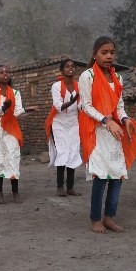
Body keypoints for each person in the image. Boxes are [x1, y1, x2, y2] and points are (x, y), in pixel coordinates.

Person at [78, 36, 136, 233]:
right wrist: (106, 121)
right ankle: (95, 219)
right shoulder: (88, 76)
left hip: (114, 132)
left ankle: (109, 217)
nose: (109, 56)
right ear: (94, 54)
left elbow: (119, 107)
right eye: (104, 52)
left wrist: (125, 120)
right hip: (96, 131)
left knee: (116, 175)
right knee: (100, 176)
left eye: (112, 52)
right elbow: (86, 106)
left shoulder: (118, 78)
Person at [0, 65, 37, 204]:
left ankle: (15, 192)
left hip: (11, 131)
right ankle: (0, 193)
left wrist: (26, 110)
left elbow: (16, 112)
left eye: (7, 72)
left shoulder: (15, 93)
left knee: (13, 159)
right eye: (2, 72)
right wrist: (3, 108)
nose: (5, 74)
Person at [45, 59, 81, 197]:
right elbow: (58, 106)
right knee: (62, 151)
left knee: (73, 151)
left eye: (72, 66)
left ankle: (70, 187)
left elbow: (80, 106)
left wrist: (84, 106)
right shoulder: (56, 86)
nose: (70, 68)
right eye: (67, 66)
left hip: (73, 122)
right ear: (62, 71)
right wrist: (71, 101)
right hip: (59, 123)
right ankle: (60, 186)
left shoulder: (79, 86)